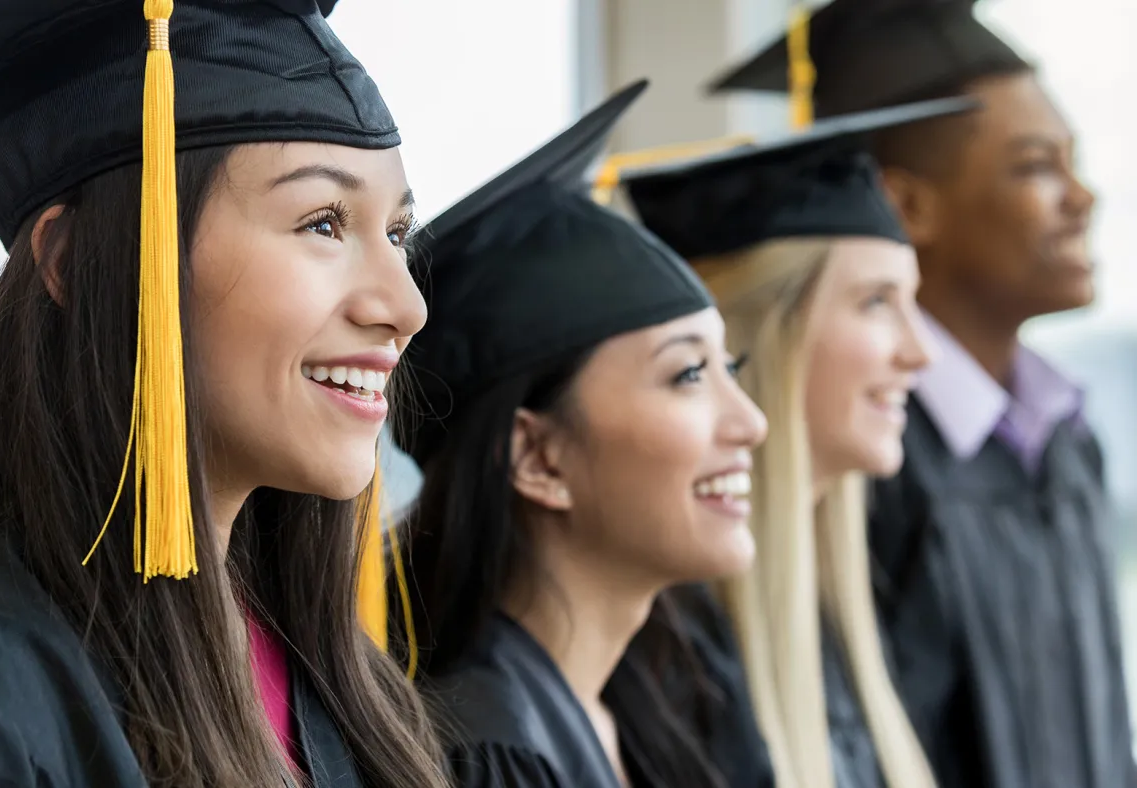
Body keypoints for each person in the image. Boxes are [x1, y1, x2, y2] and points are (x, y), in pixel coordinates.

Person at [0, 1, 447, 786]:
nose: (404, 305)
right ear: (77, 258)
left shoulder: (329, 683)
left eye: (397, 234)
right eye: (323, 223)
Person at [708, 3, 1136, 786]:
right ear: (904, 206)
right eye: (1038, 165)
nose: (1084, 198)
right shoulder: (858, 462)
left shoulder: (1066, 437)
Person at [388, 79, 768, 788]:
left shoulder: (652, 711)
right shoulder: (485, 751)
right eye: (688, 375)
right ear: (537, 458)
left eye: (731, 367)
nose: (752, 421)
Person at [612, 98, 975, 788]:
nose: (919, 352)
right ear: (760, 332)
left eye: (912, 303)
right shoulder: (667, 652)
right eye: (876, 302)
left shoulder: (844, 614)